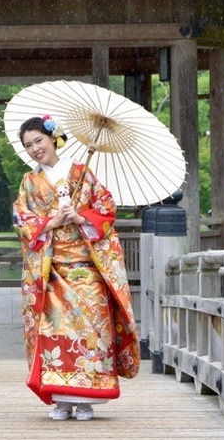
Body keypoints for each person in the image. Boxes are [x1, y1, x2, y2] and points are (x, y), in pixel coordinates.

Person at [12, 114, 139, 420]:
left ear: (53, 139)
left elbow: (106, 209)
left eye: (39, 141)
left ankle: (85, 400)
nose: (35, 149)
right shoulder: (29, 182)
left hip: (86, 267)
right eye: (28, 145)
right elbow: (20, 218)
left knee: (91, 330)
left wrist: (81, 217)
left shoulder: (83, 173)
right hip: (52, 269)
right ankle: (61, 400)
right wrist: (52, 221)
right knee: (54, 332)